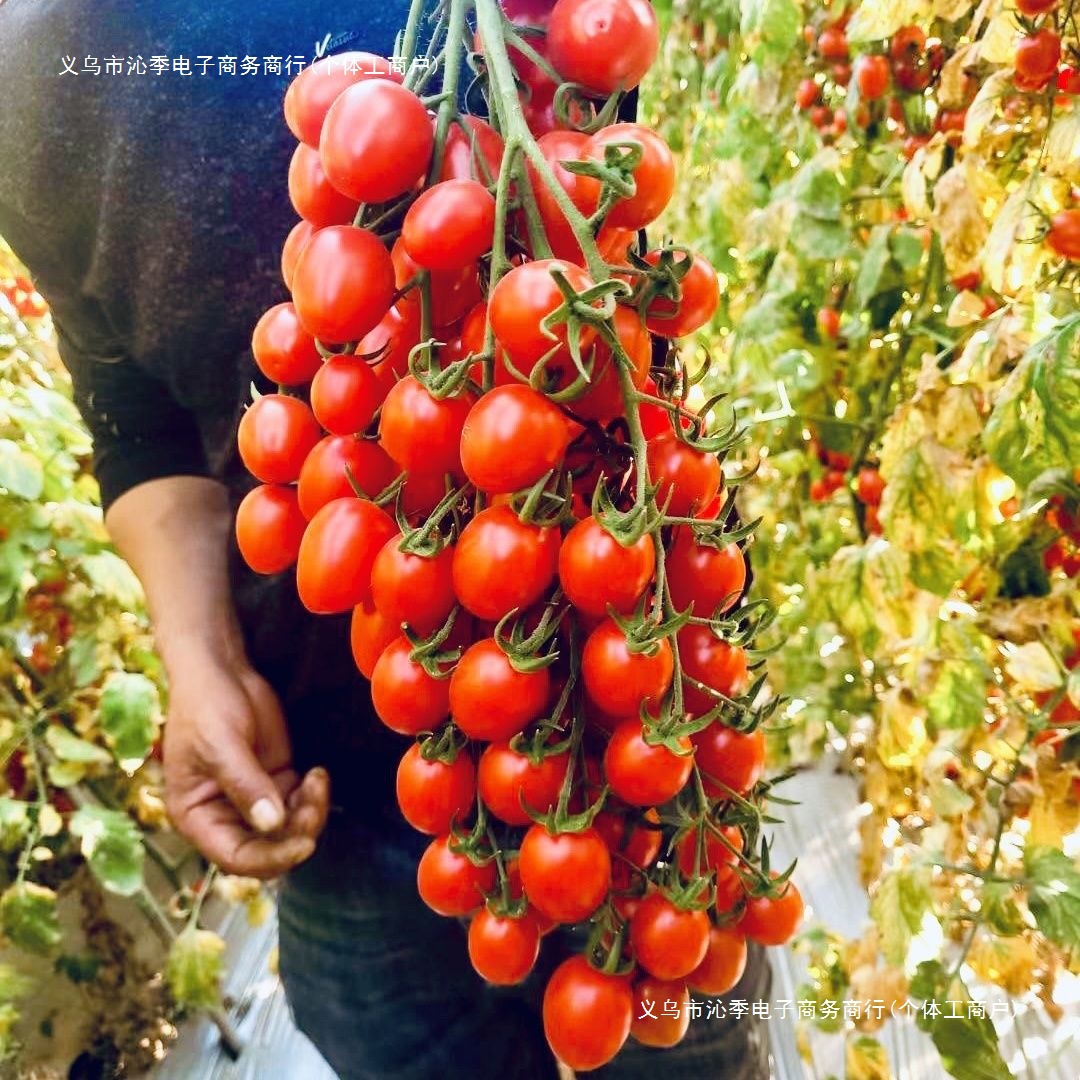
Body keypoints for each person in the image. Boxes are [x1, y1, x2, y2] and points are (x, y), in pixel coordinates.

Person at [0, 2, 771, 1076]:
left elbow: (583, 170)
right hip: (347, 800)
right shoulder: (23, 67)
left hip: (631, 725)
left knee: (685, 1035)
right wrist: (197, 657)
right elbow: (130, 408)